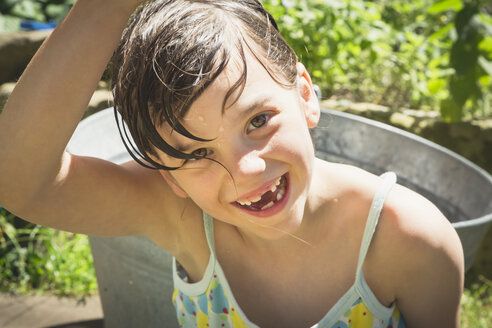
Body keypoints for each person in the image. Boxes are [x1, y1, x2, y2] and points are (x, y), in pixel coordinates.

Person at [0, 0, 464, 327]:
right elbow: (20, 181)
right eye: (197, 153)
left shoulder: (407, 239)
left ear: (304, 94)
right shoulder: (182, 218)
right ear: (167, 175)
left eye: (258, 120)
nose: (245, 171)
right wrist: (105, 7)